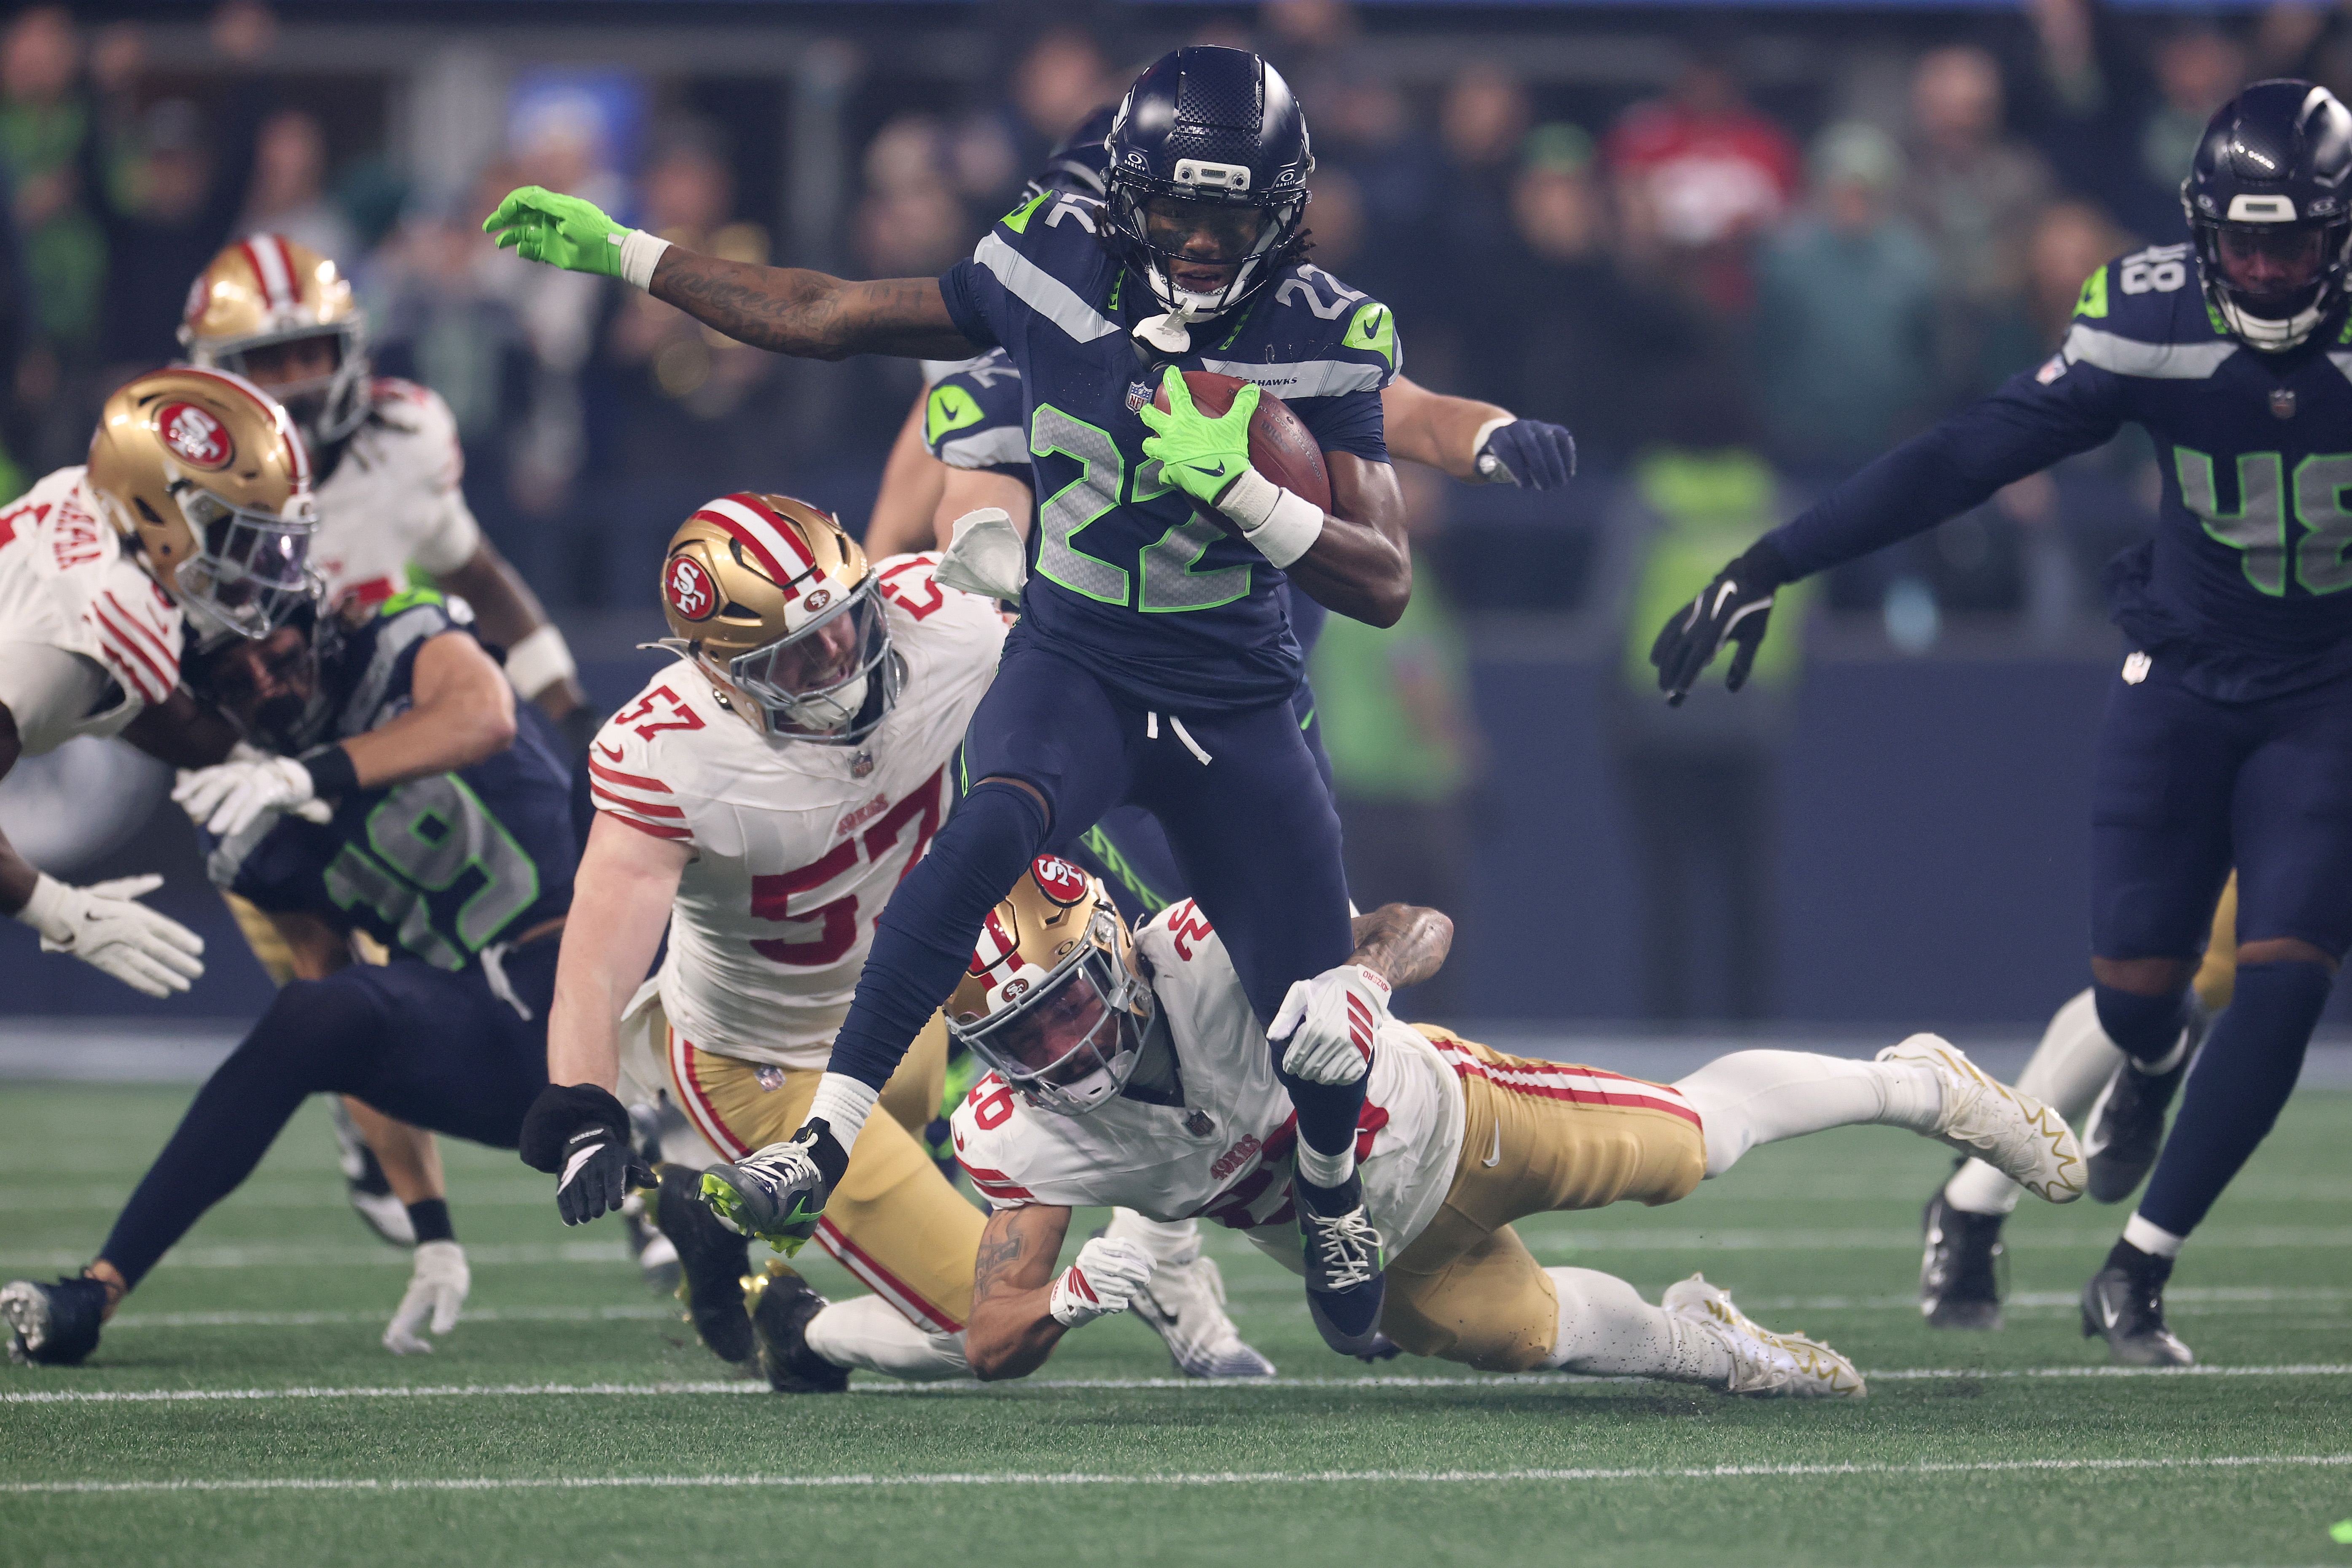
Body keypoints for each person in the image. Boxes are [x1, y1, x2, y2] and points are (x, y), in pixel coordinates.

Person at [491, 46, 1423, 1352]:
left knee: (1307, 1007)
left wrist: (1255, 498)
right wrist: (633, 255)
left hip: (1234, 694)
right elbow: (825, 314)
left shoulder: (1325, 331)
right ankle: (821, 1140)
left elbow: (1382, 582)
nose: (1203, 244)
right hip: (1081, 661)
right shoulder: (1052, 262)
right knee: (987, 836)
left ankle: (1329, 1198)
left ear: (1289, 208)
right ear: (1124, 196)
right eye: (1177, 211)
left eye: (1234, 215)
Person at [1650, 81, 2352, 1367]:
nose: (2261, 270)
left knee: (2289, 975)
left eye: (2289, 242)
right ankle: (2139, 1071)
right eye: (2240, 244)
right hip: (2187, 668)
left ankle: (2139, 1267)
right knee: (2134, 996)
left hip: (2328, 686)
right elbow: (1969, 452)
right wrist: (1774, 559)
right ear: (2201, 236)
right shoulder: (2148, 316)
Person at [794, 860, 2081, 1393]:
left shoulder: (1204, 945)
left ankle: (1925, 1085)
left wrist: (1365, 982)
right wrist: (1088, 1282)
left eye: (1069, 1006)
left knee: (1694, 1147)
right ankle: (1716, 1348)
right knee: (1535, 1340)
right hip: (1369, 1262)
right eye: (1021, 1036)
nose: (1060, 1048)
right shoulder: (1022, 1132)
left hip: (1454, 1122)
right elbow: (992, 1333)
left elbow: (1411, 924)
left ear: (1119, 954)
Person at [527, 493, 1275, 1385]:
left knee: (1095, 998)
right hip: (766, 1054)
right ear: (725, 671)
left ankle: (1172, 1276)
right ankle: (795, 1325)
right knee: (991, 1319)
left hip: (911, 1006)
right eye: (797, 651)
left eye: (844, 618)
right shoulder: (666, 757)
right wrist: (580, 1111)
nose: (838, 651)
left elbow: (1096, 711)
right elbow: (595, 964)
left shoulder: (945, 621)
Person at [1, 583, 576, 1367]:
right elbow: (339, 1014)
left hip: (598, 971)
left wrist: (311, 777)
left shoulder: (403, 639)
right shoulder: (249, 819)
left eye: (277, 658)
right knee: (313, 1011)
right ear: (206, 699)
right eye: (237, 681)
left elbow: (483, 716)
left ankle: (673, 1153)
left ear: (314, 631)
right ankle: (96, 1292)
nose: (269, 686)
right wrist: (433, 1228)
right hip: (494, 1041)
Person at [180, 232, 589, 1247]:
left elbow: (475, 571)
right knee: (317, 978)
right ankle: (376, 1132)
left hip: (389, 742)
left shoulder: (401, 440)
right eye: (264, 364)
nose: (292, 384)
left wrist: (568, 707)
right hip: (250, 758)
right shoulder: (172, 478)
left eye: (307, 353)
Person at [0, 366, 314, 1000]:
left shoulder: (100, 525)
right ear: (160, 512)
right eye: (235, 536)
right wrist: (52, 907)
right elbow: (92, 665)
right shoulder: (83, 622)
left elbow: (137, 701)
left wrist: (247, 763)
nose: (257, 574)